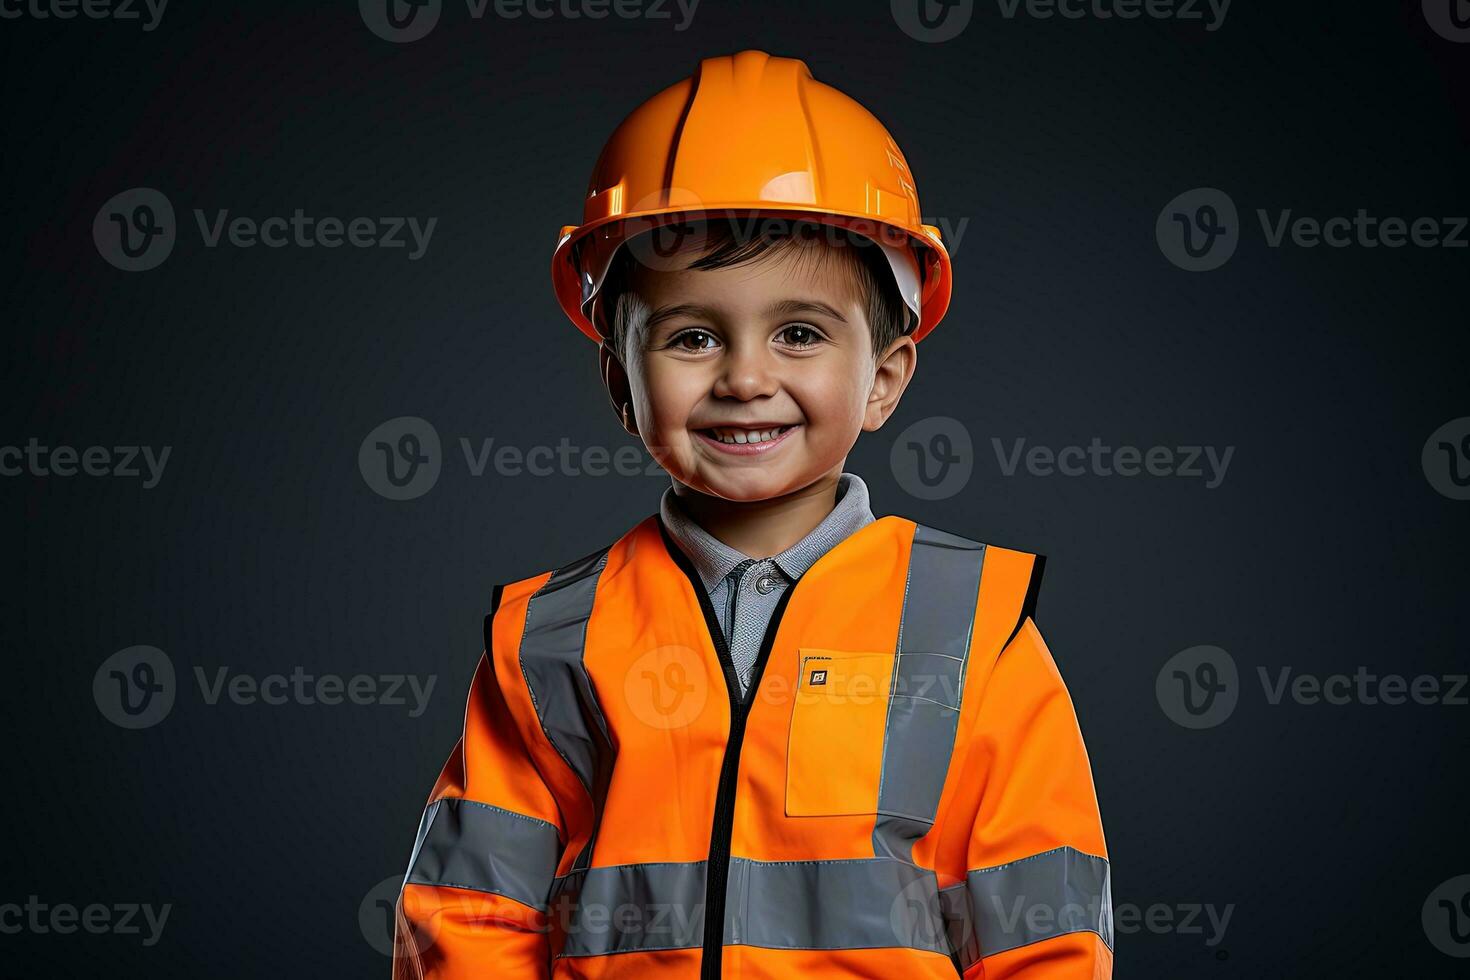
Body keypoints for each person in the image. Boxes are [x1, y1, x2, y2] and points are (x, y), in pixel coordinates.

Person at [392, 49, 1112, 979]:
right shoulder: (549, 640)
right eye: (692, 336)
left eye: (799, 333)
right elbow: (467, 915)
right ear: (621, 377)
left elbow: (1044, 930)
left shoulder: (974, 628)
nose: (744, 377)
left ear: (884, 378)